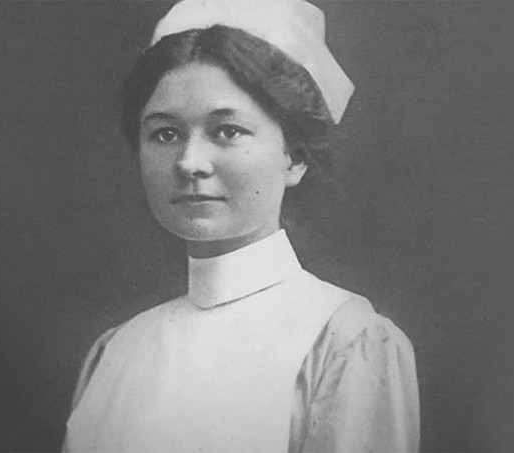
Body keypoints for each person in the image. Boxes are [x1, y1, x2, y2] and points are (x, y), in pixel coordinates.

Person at [63, 0, 420, 451]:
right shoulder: (115, 350)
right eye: (165, 134)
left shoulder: (342, 342)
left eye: (227, 131)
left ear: (295, 157)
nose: (190, 162)